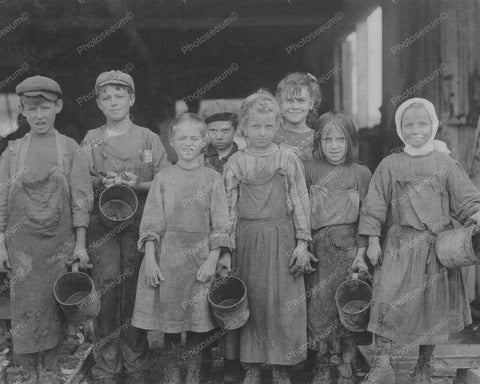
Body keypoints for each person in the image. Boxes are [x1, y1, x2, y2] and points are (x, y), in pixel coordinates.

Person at [358, 98, 480, 384]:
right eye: (408, 124)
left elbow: (466, 200)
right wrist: (373, 240)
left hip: (435, 249)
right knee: (386, 300)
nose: (416, 129)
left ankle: (423, 366)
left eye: (423, 123)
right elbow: (373, 205)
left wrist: (476, 215)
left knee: (432, 308)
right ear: (399, 129)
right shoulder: (391, 164)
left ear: (434, 125)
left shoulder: (446, 164)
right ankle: (382, 363)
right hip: (399, 246)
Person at [0, 75, 93, 383]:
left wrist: (80, 244)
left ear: (59, 107)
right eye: (31, 108)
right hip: (22, 249)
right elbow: (0, 202)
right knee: (25, 308)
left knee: (56, 306)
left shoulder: (69, 149)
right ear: (22, 112)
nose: (39, 115)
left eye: (45, 108)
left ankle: (52, 370)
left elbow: (81, 199)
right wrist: (1, 244)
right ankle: (27, 372)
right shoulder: (12, 154)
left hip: (59, 247)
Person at [81, 70, 170, 384]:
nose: (114, 102)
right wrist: (101, 181)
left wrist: (139, 184)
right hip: (101, 227)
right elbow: (79, 179)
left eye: (120, 96)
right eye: (107, 98)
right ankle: (106, 364)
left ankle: (136, 362)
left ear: (132, 99)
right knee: (106, 290)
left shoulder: (148, 138)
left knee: (135, 292)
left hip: (139, 226)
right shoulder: (92, 139)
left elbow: (166, 178)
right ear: (99, 104)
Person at [132, 113, 231, 384]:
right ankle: (172, 375)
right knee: (172, 322)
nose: (188, 143)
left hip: (200, 260)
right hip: (169, 259)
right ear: (172, 141)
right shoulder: (163, 178)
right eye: (182, 137)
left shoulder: (212, 179)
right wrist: (151, 260)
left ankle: (194, 375)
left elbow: (221, 225)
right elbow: (151, 222)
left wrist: (212, 260)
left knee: (198, 321)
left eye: (194, 137)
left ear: (204, 141)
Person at [224, 90, 314, 384]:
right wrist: (226, 247)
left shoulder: (288, 158)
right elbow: (228, 208)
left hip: (282, 237)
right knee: (253, 301)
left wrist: (303, 242)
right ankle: (252, 363)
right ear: (243, 128)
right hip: (247, 239)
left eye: (267, 126)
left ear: (277, 126)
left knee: (282, 302)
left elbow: (300, 201)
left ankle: (280, 365)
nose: (261, 133)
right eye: (255, 126)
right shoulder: (236, 162)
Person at [303, 111, 372, 384]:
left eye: (340, 139)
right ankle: (322, 362)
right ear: (318, 143)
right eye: (327, 139)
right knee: (318, 308)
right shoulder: (308, 169)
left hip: (348, 249)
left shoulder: (361, 173)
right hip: (317, 251)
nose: (333, 145)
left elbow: (368, 216)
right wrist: (302, 245)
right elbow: (298, 209)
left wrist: (361, 253)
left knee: (347, 305)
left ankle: (348, 361)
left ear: (350, 141)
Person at [274, 72, 322, 161]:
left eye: (301, 100)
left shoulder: (319, 138)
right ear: (280, 104)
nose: (295, 107)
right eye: (289, 100)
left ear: (311, 103)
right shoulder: (270, 135)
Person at [202, 99, 241, 175]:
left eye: (225, 130)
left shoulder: (243, 159)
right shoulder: (198, 160)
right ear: (206, 130)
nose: (219, 137)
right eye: (213, 130)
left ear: (235, 130)